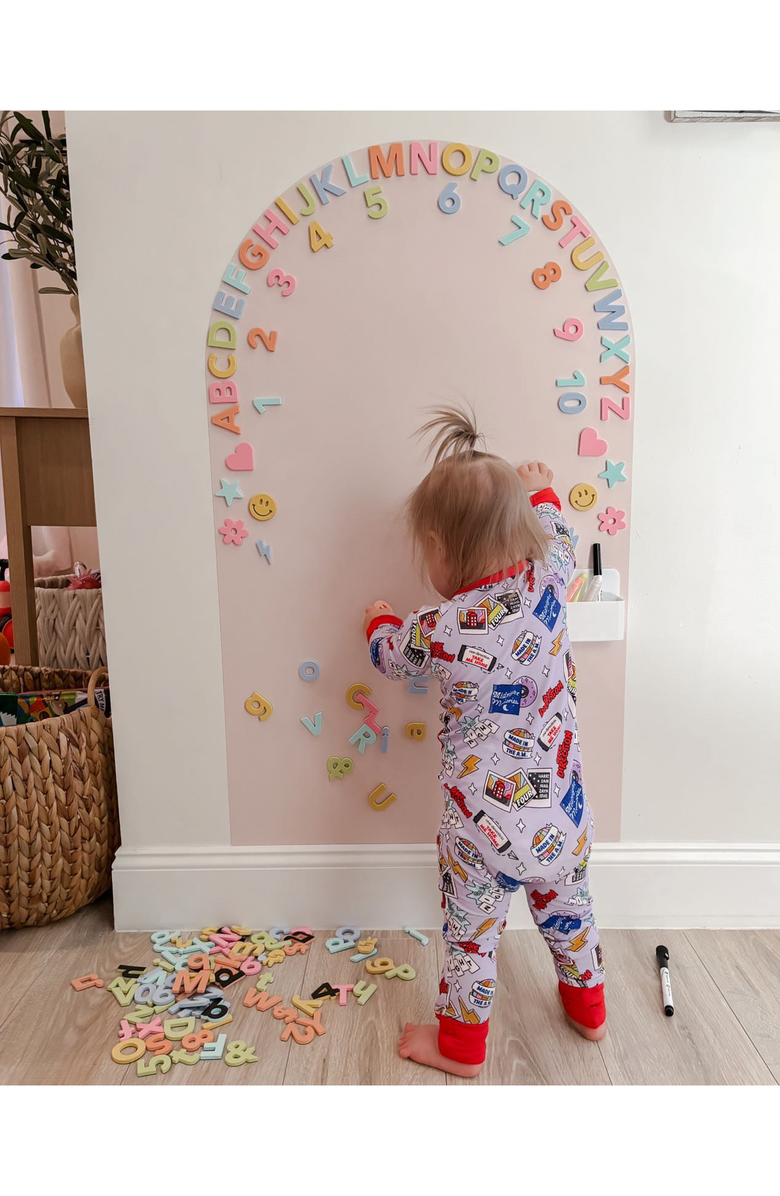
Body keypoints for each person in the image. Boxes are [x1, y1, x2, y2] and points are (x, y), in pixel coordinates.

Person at [363, 406, 606, 1077]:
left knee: (471, 941)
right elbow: (560, 533)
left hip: (478, 832)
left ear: (445, 548)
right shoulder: (553, 580)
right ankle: (589, 1010)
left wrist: (379, 620)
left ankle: (462, 1047)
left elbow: (389, 656)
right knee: (571, 913)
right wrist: (544, 491)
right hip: (561, 812)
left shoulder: (439, 625)